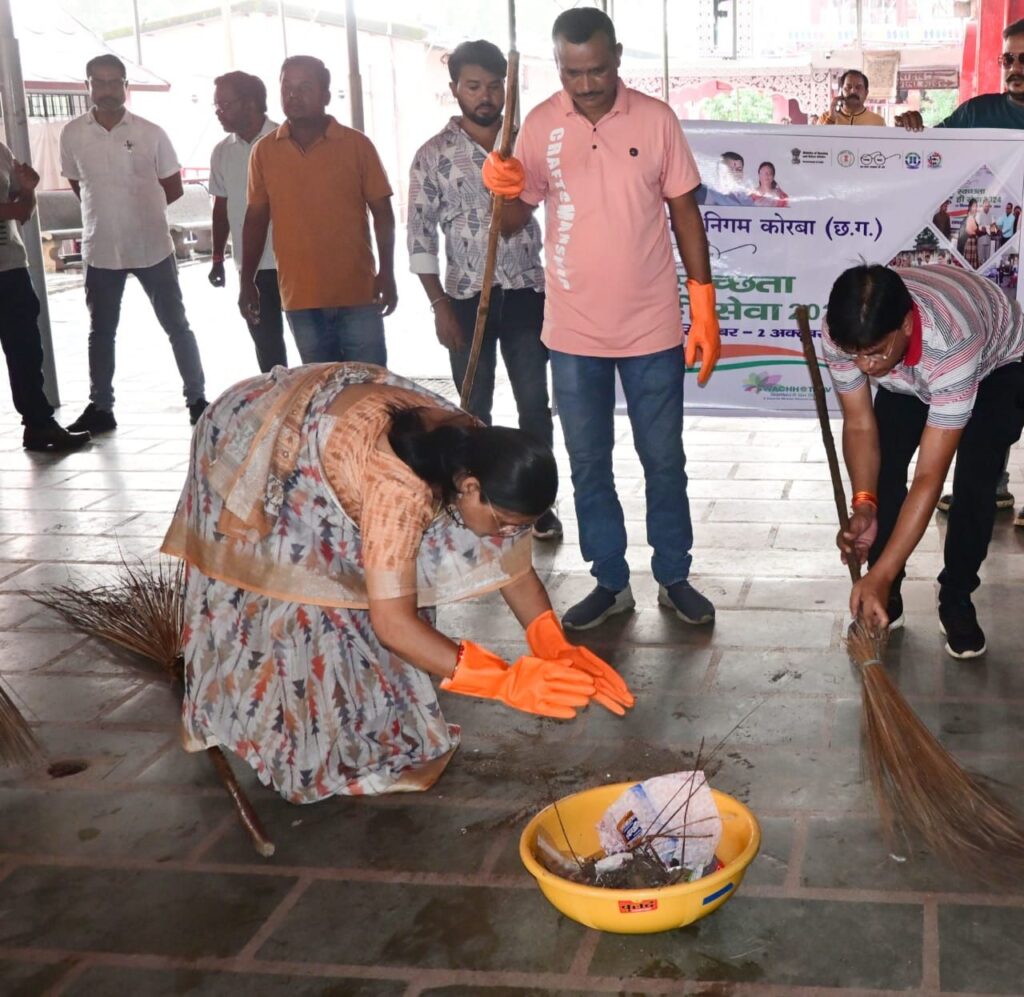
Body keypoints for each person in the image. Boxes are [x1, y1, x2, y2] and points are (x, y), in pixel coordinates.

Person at [161, 362, 633, 802]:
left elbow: (513, 568)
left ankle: (372, 730)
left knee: (370, 592)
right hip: (248, 436)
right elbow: (393, 625)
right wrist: (502, 680)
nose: (510, 536)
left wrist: (552, 642)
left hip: (327, 429)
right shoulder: (398, 490)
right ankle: (257, 729)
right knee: (299, 604)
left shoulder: (480, 453)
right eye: (507, 522)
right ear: (469, 489)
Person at [481, 7, 721, 630]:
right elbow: (513, 222)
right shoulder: (540, 124)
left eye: (596, 70)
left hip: (652, 327)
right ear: (558, 64)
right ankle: (610, 580)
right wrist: (502, 186)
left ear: (617, 55)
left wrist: (702, 303)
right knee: (588, 463)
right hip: (573, 330)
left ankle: (674, 575)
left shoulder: (656, 119)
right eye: (572, 72)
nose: (585, 85)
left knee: (663, 460)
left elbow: (685, 213)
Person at [822, 264, 1024, 659]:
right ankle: (886, 592)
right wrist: (864, 504)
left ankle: (957, 595)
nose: (865, 366)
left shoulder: (952, 343)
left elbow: (929, 476)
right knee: (883, 468)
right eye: (855, 355)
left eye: (874, 352)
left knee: (975, 481)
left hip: (997, 363)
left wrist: (876, 575)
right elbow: (860, 425)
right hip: (915, 367)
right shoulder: (843, 330)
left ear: (906, 325)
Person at [407, 39, 561, 540]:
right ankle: (475, 500)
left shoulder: (525, 147)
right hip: (465, 297)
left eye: (495, 86)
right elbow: (420, 236)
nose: (486, 96)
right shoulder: (433, 156)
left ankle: (535, 501)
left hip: (525, 292)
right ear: (455, 89)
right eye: (473, 86)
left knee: (534, 403)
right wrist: (439, 305)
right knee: (473, 409)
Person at [897, 22, 1024, 528]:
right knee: (996, 375)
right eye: (1008, 59)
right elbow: (935, 158)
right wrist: (915, 130)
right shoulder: (977, 113)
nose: (1015, 68)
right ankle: (989, 482)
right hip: (991, 274)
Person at [59, 54, 208, 431]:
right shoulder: (72, 134)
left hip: (152, 247)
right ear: (87, 86)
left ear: (126, 86)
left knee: (177, 326)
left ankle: (197, 399)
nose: (107, 90)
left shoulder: (150, 132)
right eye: (99, 82)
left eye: (115, 82)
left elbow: (172, 187)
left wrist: (139, 212)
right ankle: (101, 408)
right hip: (100, 249)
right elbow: (80, 186)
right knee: (101, 332)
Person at [240, 56, 396, 366]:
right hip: (300, 298)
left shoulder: (357, 145)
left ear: (325, 95)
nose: (293, 95)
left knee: (370, 385)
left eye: (305, 87)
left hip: (358, 293)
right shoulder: (264, 151)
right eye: (287, 87)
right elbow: (256, 219)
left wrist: (387, 272)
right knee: (320, 387)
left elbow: (383, 212)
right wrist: (247, 281)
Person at [0, 142, 90, 452]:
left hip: (10, 267)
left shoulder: (1, 152)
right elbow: (16, 207)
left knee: (26, 351)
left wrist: (27, 190)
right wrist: (25, 194)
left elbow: (24, 211)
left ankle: (38, 425)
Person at [208, 71, 288, 373]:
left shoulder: (284, 140)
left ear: (250, 103)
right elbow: (221, 207)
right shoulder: (222, 151)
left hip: (292, 263)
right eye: (217, 105)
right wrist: (218, 258)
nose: (219, 112)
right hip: (251, 270)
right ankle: (279, 402)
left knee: (313, 349)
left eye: (225, 104)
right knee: (269, 354)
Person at [817, 70, 885, 126]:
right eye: (848, 87)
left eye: (858, 87)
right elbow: (817, 138)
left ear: (866, 93)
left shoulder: (878, 122)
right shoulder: (825, 117)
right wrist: (831, 119)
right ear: (841, 91)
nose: (853, 91)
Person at [960, 199, 980, 268]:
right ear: (969, 207)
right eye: (974, 206)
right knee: (969, 265)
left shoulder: (973, 217)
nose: (975, 208)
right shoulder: (969, 217)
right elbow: (968, 230)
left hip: (973, 242)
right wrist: (976, 232)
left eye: (976, 206)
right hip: (969, 242)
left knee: (971, 265)